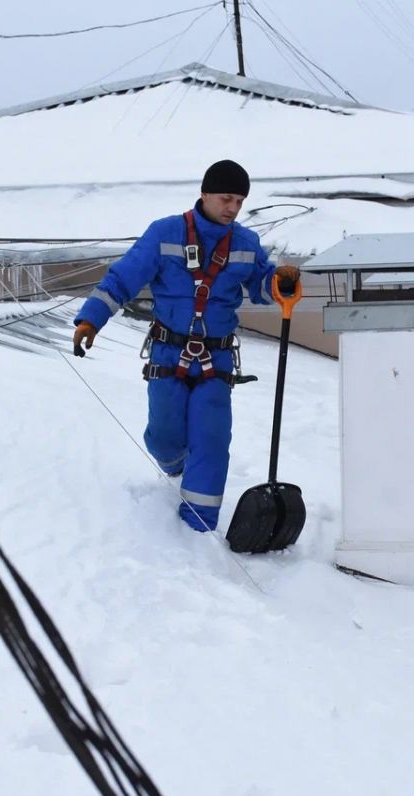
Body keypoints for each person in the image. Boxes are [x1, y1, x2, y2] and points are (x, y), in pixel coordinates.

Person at [73, 159, 301, 532]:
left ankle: (198, 528)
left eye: (240, 201)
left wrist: (280, 281)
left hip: (218, 358)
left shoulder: (245, 242)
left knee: (211, 439)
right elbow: (123, 278)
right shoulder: (164, 234)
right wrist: (91, 319)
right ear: (205, 194)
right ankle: (175, 467)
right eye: (226, 198)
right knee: (164, 438)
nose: (232, 208)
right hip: (168, 353)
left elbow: (262, 286)